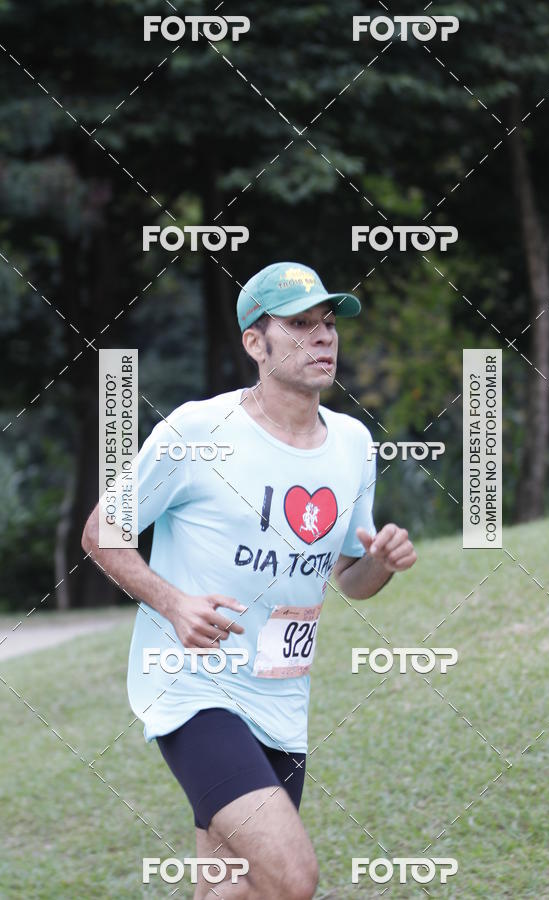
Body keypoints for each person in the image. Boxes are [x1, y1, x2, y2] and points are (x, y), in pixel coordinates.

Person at [82, 261, 417, 900]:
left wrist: (382, 560)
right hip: (193, 687)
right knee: (291, 877)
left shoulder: (352, 442)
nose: (323, 337)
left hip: (282, 698)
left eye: (328, 323)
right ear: (254, 343)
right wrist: (174, 603)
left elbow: (350, 577)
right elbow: (102, 532)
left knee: (233, 887)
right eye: (300, 325)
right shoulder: (198, 432)